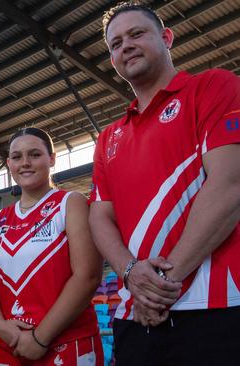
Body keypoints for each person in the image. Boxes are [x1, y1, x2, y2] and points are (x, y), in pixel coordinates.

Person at [89, 2, 240, 364]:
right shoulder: (109, 137)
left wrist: (158, 287)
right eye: (115, 44)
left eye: (136, 34)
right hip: (134, 313)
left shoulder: (214, 87)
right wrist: (128, 273)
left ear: (167, 37)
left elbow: (229, 186)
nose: (125, 46)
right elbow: (99, 216)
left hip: (214, 305)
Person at [0, 128, 104, 366]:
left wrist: (40, 338)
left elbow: (88, 276)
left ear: (52, 158)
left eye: (35, 154)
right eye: (17, 157)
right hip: (11, 345)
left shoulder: (72, 203)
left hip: (66, 342)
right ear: (8, 164)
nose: (25, 163)